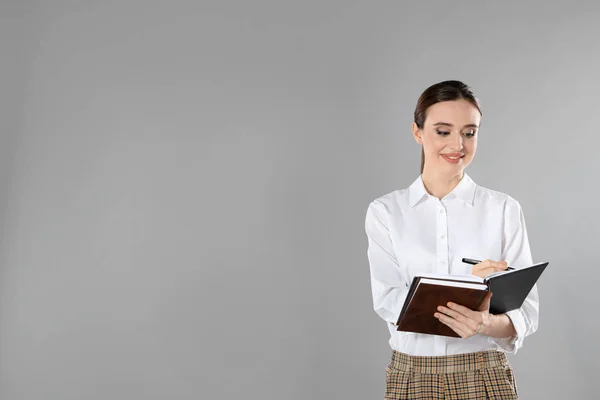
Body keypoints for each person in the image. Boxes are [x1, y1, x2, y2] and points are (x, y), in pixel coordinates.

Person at [364, 80, 539, 399]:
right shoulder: (386, 212)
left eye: (469, 132)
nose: (457, 144)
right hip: (412, 376)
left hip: (483, 374)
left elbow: (524, 313)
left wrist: (484, 322)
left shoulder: (503, 209)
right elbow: (389, 301)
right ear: (417, 132)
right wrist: (469, 285)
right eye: (443, 131)